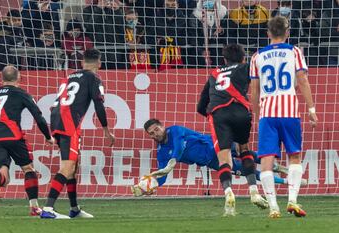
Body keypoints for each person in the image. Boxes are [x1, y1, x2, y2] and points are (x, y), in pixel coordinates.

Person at [250, 16, 318, 218]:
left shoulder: (257, 56)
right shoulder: (294, 51)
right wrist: (311, 109)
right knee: (294, 156)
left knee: (267, 161)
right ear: (287, 32)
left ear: (268, 33)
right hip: (290, 113)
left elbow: (253, 90)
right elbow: (302, 80)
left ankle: (273, 206)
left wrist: (257, 114)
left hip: (268, 115)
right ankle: (292, 201)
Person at [130, 119, 305, 197]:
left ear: (162, 127)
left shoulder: (174, 130)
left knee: (248, 156)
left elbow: (178, 146)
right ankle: (286, 181)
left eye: (156, 130)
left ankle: (280, 167)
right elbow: (163, 175)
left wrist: (173, 161)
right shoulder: (161, 151)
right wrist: (150, 185)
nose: (155, 134)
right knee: (245, 171)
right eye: (151, 133)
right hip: (211, 161)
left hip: (215, 145)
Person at [41, 48, 115, 219]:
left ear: (82, 63)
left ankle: (74, 208)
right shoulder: (94, 78)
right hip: (69, 122)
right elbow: (99, 104)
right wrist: (106, 130)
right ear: (99, 63)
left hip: (56, 117)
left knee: (73, 167)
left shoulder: (69, 77)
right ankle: (48, 208)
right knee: (67, 166)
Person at [0, 66, 54, 216]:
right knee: (28, 169)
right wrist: (48, 137)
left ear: (2, 79)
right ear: (19, 77)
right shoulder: (22, 94)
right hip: (13, 137)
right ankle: (34, 207)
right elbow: (38, 117)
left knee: (5, 178)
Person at [197, 44, 263, 216]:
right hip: (241, 111)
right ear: (243, 58)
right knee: (244, 149)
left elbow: (200, 106)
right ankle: (254, 191)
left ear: (224, 60)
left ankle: (228, 194)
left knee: (224, 157)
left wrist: (217, 118)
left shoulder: (214, 75)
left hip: (219, 114)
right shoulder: (245, 67)